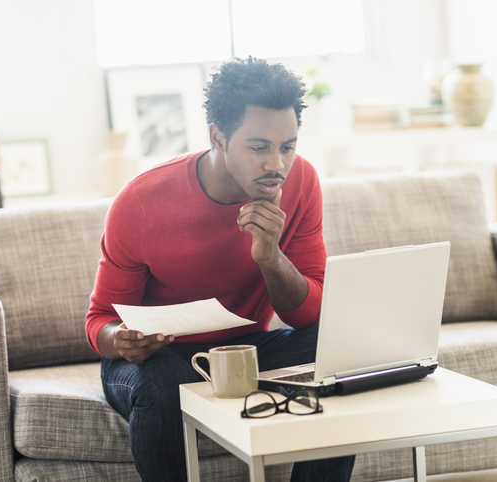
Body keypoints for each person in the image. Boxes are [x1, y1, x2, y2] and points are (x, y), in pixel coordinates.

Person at [86, 56, 355, 481]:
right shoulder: (140, 202)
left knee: (338, 346)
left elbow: (309, 316)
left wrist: (270, 257)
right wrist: (121, 340)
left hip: (246, 351)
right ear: (218, 136)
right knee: (162, 385)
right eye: (259, 147)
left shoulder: (301, 183)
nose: (277, 165)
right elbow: (99, 320)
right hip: (158, 358)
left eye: (287, 146)